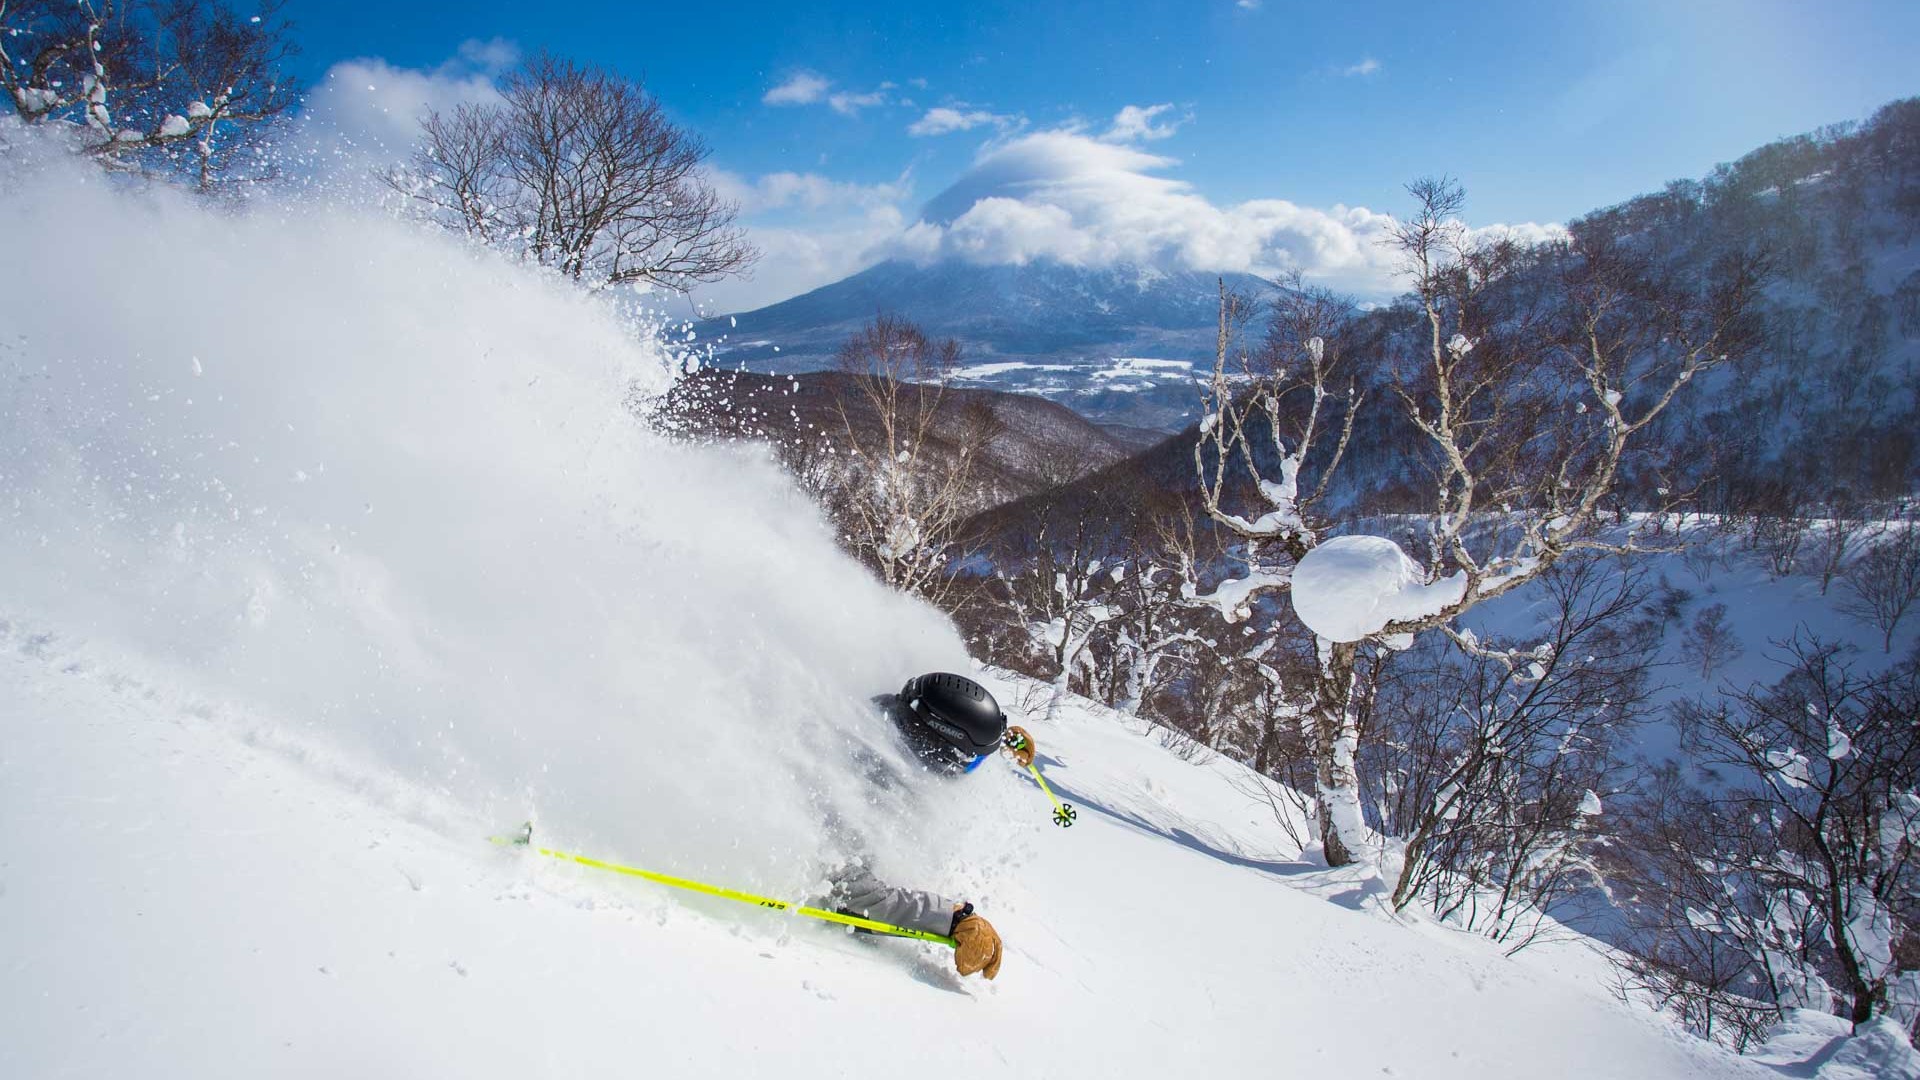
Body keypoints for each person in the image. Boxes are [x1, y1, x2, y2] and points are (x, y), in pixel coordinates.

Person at [824, 671, 1035, 982]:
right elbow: (852, 893)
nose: (973, 770)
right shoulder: (865, 791)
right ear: (942, 751)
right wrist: (952, 920)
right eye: (974, 761)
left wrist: (1001, 742)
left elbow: (943, 714)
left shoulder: (885, 718)